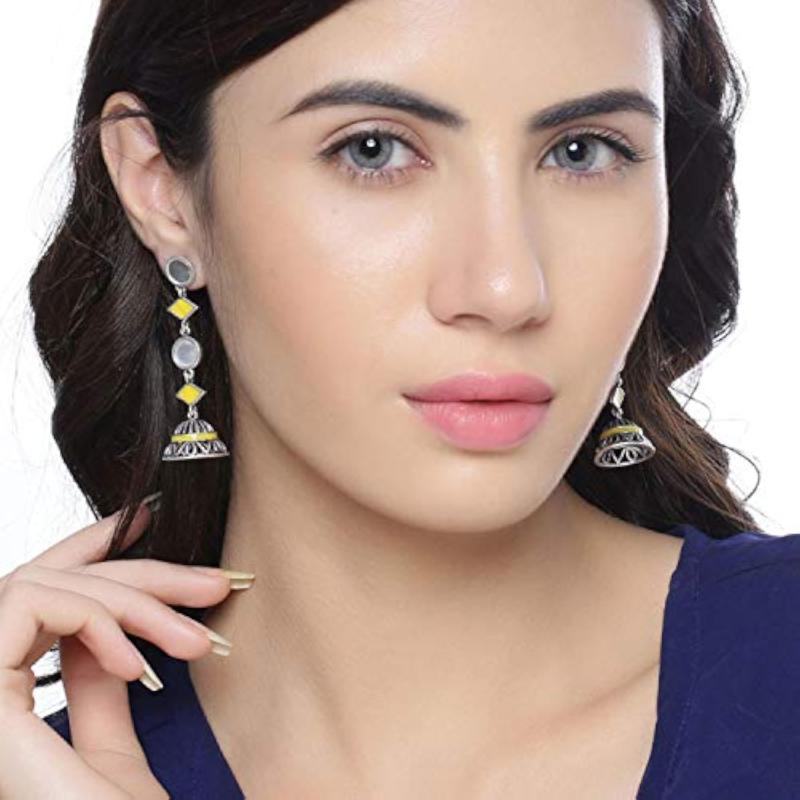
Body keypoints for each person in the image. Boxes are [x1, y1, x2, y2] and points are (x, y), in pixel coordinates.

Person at [3, 0, 796, 797]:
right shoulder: (49, 776)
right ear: (160, 189)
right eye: (373, 149)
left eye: (582, 152)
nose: (507, 289)